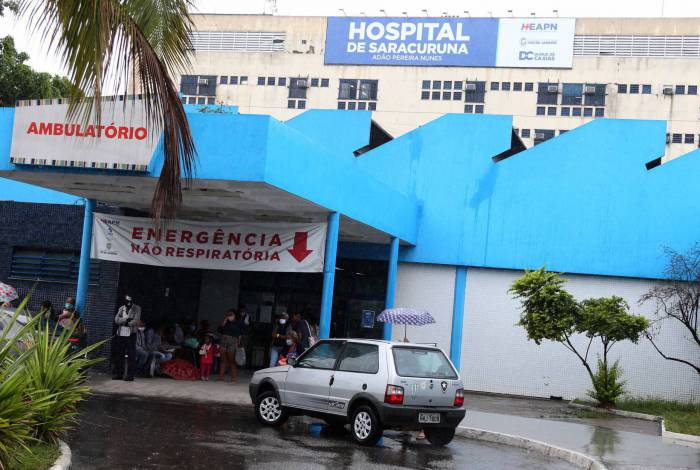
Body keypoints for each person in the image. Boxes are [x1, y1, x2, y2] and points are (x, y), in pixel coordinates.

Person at [112, 295, 141, 381]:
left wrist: (127, 323)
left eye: (130, 301)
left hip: (131, 334)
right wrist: (126, 320)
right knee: (119, 354)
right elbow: (116, 319)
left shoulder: (137, 308)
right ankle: (118, 373)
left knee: (131, 355)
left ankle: (130, 375)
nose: (128, 303)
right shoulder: (121, 308)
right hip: (120, 334)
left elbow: (136, 321)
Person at [217, 308, 242, 383]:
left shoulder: (238, 323)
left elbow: (241, 334)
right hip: (224, 340)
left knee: (231, 360)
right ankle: (221, 377)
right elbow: (219, 329)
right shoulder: (226, 322)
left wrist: (239, 342)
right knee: (222, 359)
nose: (229, 316)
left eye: (231, 314)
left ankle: (233, 378)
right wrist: (225, 320)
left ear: (234, 315)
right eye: (228, 314)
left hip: (232, 341)